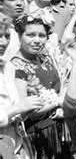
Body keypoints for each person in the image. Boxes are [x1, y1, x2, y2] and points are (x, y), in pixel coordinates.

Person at [11, 15, 64, 158]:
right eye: (30, 35)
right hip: (36, 132)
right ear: (19, 36)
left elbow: (58, 87)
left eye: (42, 35)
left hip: (57, 125)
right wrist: (58, 102)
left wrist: (59, 107)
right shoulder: (16, 66)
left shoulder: (45, 58)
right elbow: (27, 110)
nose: (37, 40)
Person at [0, 21, 43, 158]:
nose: (3, 42)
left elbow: (15, 109)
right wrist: (20, 107)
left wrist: (28, 107)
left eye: (6, 36)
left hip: (14, 144)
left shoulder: (7, 68)